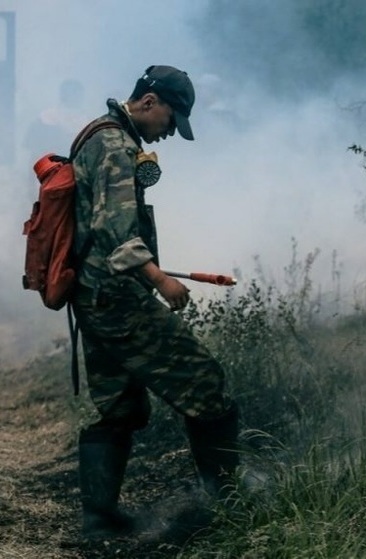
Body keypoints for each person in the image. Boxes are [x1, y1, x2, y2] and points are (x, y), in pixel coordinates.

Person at [69, 65, 238, 540]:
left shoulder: (96, 135)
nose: (167, 132)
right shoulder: (116, 146)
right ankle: (227, 506)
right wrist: (160, 279)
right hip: (117, 297)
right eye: (170, 119)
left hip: (94, 297)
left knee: (121, 407)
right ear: (149, 101)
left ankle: (99, 522)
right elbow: (114, 229)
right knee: (205, 381)